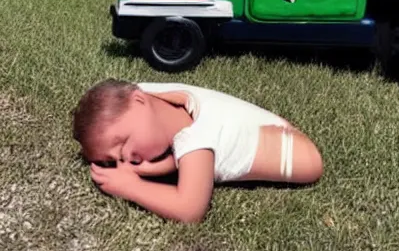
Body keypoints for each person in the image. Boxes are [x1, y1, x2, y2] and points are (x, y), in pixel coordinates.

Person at [72, 79, 324, 224]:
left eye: (123, 144)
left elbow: (190, 209)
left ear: (139, 101)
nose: (126, 162)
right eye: (113, 161)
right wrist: (161, 165)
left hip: (302, 157)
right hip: (272, 126)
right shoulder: (147, 92)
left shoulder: (195, 140)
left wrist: (131, 187)